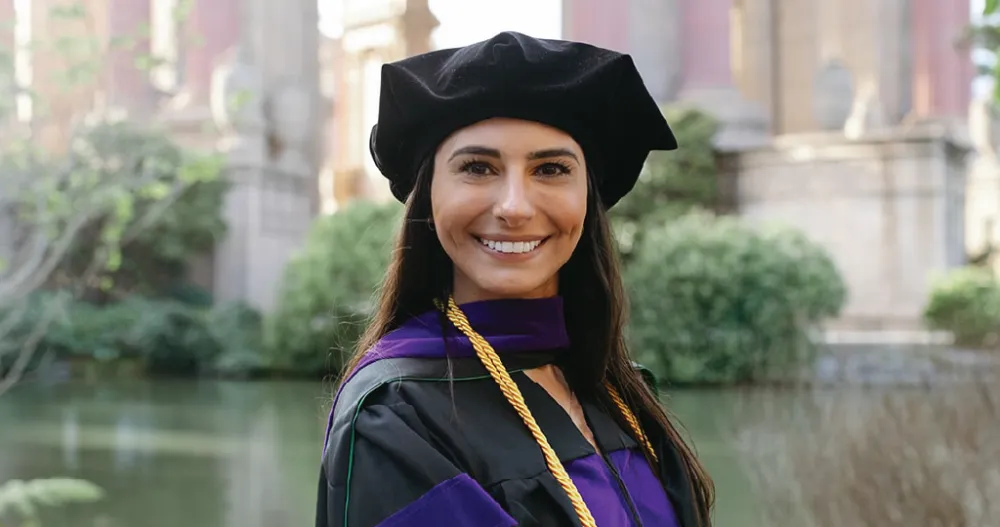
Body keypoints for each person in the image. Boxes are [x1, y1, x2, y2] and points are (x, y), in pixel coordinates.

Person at [315, 31, 715, 527]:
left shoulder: (616, 389)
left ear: (587, 199)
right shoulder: (398, 414)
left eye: (550, 169)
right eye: (478, 167)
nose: (514, 207)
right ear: (429, 196)